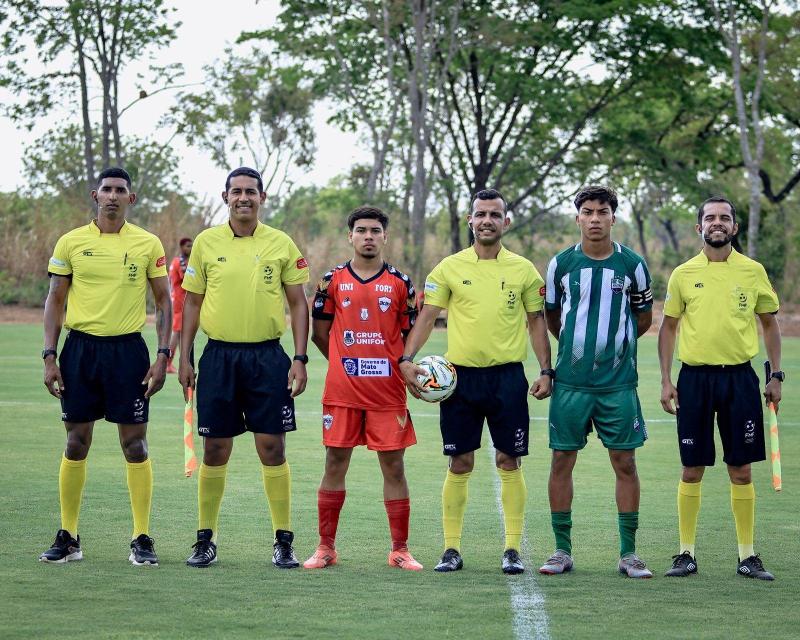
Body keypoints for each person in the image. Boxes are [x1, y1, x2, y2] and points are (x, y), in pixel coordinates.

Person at [399, 188, 552, 575]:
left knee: (509, 459)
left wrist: (546, 369)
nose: (487, 220)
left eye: (495, 215)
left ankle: (513, 549)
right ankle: (451, 549)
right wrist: (406, 359)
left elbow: (537, 322)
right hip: (459, 381)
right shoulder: (449, 268)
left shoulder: (523, 270)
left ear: (506, 221)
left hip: (507, 379)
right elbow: (427, 314)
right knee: (460, 461)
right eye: (481, 214)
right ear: (470, 219)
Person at [179, 167, 310, 569]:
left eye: (250, 192)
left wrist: (300, 359)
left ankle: (283, 540)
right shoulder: (205, 243)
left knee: (272, 448)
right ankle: (205, 539)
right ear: (225, 196)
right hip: (218, 358)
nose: (243, 198)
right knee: (215, 448)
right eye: (236, 192)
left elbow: (298, 303)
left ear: (262, 197)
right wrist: (183, 355)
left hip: (268, 358)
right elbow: (193, 303)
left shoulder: (281, 243)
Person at [40, 166, 171, 566]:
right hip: (79, 352)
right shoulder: (71, 242)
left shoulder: (148, 244)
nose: (113, 196)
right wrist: (50, 355)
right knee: (76, 442)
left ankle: (142, 536)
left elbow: (165, 302)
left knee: (135, 445)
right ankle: (68, 535)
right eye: (107, 190)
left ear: (131, 199)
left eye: (121, 190)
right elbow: (55, 300)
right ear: (95, 195)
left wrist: (163, 354)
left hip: (127, 353)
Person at [659, 196, 782, 581]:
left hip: (741, 380)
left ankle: (747, 555)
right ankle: (685, 554)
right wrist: (666, 379)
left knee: (741, 469)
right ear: (699, 228)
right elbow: (668, 328)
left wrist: (776, 375)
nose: (717, 223)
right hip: (694, 380)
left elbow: (769, 324)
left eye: (724, 218)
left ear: (734, 227)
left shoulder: (752, 271)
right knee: (692, 467)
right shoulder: (682, 273)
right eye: (710, 218)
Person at [537, 185, 654, 579]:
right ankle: (561, 550)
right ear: (577, 218)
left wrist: (615, 350)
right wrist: (574, 351)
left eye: (602, 211)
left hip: (618, 385)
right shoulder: (561, 265)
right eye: (587, 211)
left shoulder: (633, 265)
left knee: (625, 461)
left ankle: (629, 553)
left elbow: (643, 319)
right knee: (561, 460)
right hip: (571, 385)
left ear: (612, 217)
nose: (595, 218)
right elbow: (553, 318)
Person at [304, 206, 423, 571]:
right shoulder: (331, 280)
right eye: (361, 230)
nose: (368, 236)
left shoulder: (402, 284)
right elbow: (320, 334)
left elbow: (410, 337)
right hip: (343, 392)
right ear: (350, 236)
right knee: (334, 463)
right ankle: (325, 547)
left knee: (394, 468)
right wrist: (343, 361)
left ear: (385, 237)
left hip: (387, 394)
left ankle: (399, 549)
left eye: (375, 230)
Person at [167, 237, 193, 373]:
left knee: (180, 332)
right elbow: (187, 279)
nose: (190, 248)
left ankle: (176, 362)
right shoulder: (181, 262)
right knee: (176, 333)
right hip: (180, 301)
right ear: (182, 247)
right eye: (188, 246)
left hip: (178, 300)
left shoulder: (176, 261)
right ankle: (168, 363)